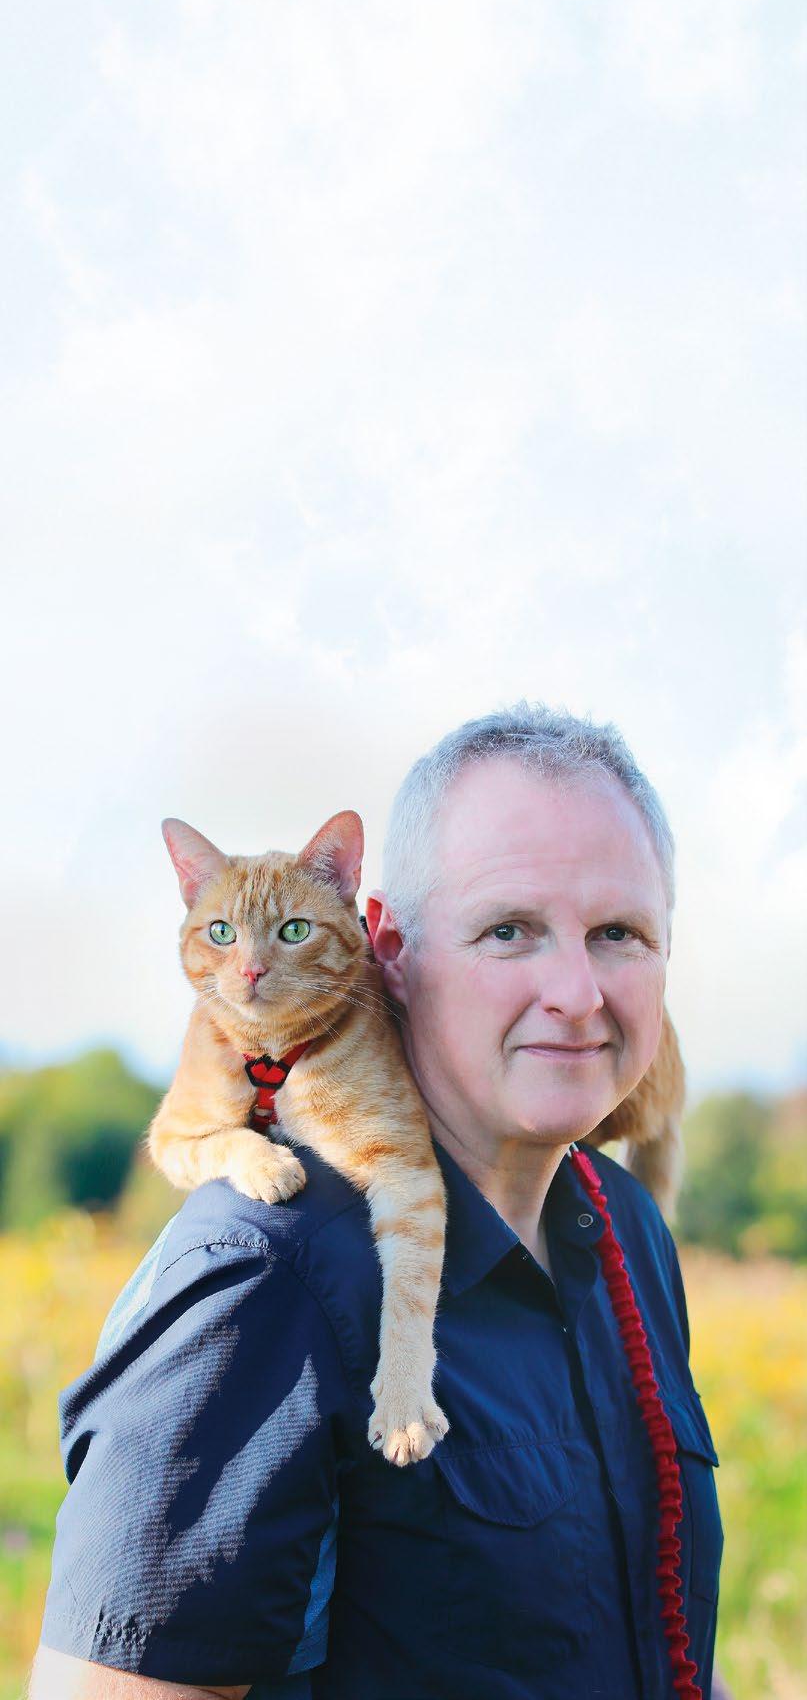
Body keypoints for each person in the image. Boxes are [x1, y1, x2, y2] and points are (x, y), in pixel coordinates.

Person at [32, 704, 732, 1700]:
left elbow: (658, 1642)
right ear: (388, 947)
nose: (577, 993)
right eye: (509, 930)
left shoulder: (625, 1226)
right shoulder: (263, 1276)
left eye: (618, 933)